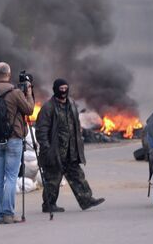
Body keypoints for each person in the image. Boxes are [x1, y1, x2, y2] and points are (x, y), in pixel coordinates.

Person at [35, 78, 105, 213]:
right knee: (53, 180)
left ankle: (86, 199)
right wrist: (47, 148)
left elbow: (76, 123)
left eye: (65, 88)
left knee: (77, 175)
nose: (63, 91)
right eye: (61, 89)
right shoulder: (48, 108)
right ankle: (49, 205)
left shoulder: (71, 104)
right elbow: (41, 130)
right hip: (55, 151)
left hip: (71, 150)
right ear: (55, 90)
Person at [0, 62, 35, 225]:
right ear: (9, 74)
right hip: (14, 137)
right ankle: (8, 214)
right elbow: (29, 110)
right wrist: (30, 93)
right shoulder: (16, 92)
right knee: (11, 176)